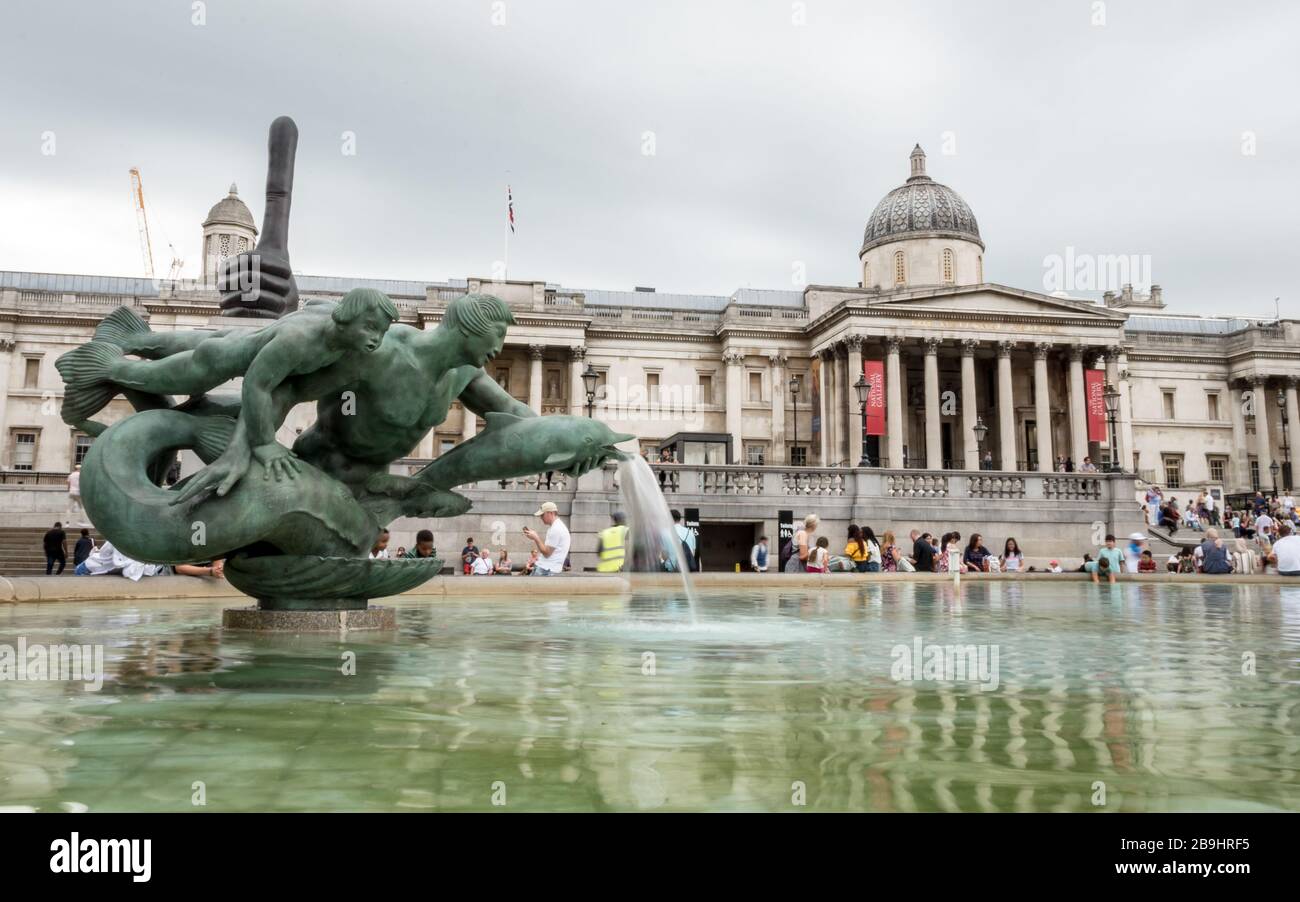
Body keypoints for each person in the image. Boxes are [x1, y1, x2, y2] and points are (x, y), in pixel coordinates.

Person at [65, 288, 400, 502]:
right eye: (370, 327)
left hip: (236, 341)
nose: (377, 339)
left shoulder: (337, 333)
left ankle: (129, 338)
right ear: (347, 319)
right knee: (149, 376)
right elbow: (257, 386)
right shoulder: (299, 342)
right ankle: (101, 365)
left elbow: (315, 304)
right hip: (215, 364)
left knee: (202, 343)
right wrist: (263, 443)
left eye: (381, 332)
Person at [523, 501, 570, 576]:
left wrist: (536, 538)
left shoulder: (556, 529)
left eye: (542, 515)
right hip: (547, 569)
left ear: (550, 513)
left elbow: (547, 553)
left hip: (546, 569)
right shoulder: (557, 527)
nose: (541, 517)